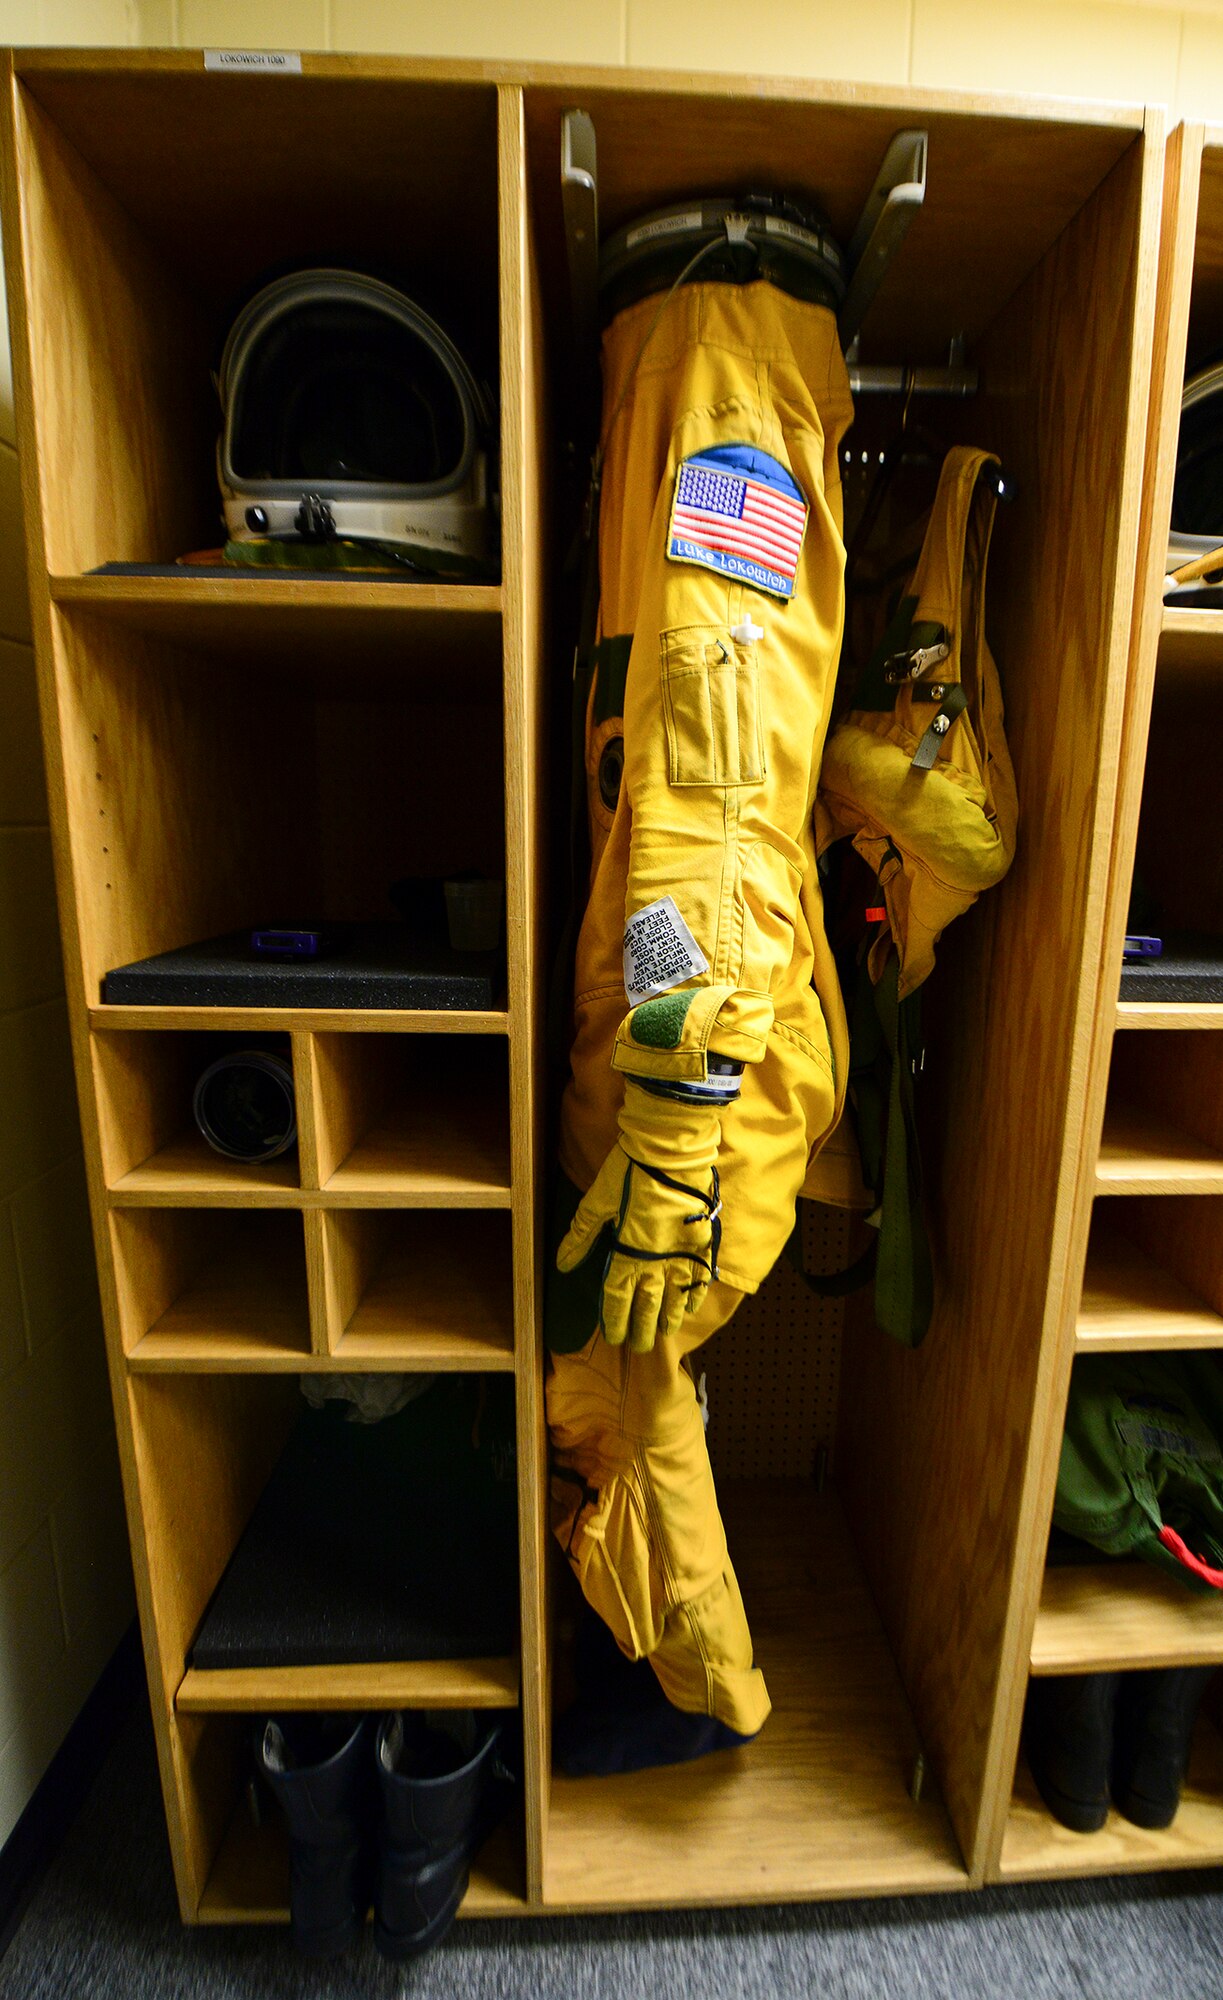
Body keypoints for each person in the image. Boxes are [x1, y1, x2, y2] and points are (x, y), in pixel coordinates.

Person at [545, 196, 855, 1774]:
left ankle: (688, 1694)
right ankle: (672, 1668)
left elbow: (710, 813)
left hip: (696, 1045)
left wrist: (678, 1103)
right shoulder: (716, 414)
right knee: (627, 1377)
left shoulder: (720, 402)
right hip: (700, 1022)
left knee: (625, 1377)